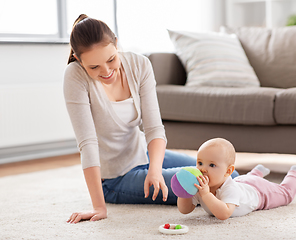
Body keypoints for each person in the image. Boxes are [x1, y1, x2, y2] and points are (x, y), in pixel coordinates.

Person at [64, 14, 235, 224]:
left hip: (143, 155)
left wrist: (155, 171)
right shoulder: (74, 77)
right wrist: (99, 207)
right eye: (94, 67)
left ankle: (264, 190)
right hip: (114, 178)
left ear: (116, 44)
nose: (107, 71)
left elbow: (154, 128)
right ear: (80, 61)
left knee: (223, 176)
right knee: (203, 184)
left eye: (111, 60)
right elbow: (87, 143)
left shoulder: (139, 64)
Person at [177, 138, 296, 220]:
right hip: (242, 182)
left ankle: (295, 172)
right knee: (246, 179)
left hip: (259, 191)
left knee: (286, 194)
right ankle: (258, 171)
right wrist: (183, 192)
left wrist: (206, 194)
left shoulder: (228, 189)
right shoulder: (199, 185)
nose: (203, 169)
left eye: (212, 165)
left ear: (228, 171)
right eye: (200, 163)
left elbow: (224, 214)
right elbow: (185, 210)